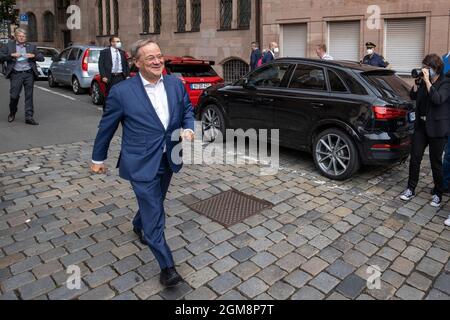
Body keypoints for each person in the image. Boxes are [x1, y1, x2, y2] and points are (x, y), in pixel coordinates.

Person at [90, 40, 195, 287]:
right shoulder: (122, 92)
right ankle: (167, 267)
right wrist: (97, 158)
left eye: (160, 56)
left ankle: (138, 224)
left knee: (155, 201)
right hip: (139, 161)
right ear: (136, 63)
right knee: (155, 213)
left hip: (168, 157)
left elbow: (188, 110)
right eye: (151, 58)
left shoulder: (174, 84)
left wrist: (188, 128)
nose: (158, 61)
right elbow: (106, 127)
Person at [400, 54, 450, 214]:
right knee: (415, 158)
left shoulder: (446, 83)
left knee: (436, 162)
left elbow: (437, 99)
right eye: (424, 67)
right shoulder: (423, 82)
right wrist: (417, 83)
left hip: (437, 129)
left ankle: (438, 192)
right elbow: (414, 96)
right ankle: (410, 188)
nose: (425, 70)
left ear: (436, 68)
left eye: (428, 67)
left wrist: (428, 81)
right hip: (421, 127)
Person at [0, 28, 44, 125]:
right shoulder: (8, 46)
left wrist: (33, 56)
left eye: (23, 36)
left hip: (29, 74)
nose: (22, 38)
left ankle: (29, 117)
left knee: (29, 96)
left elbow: (41, 58)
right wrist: (11, 55)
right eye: (20, 36)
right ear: (15, 37)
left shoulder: (31, 46)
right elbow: (1, 56)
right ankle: (12, 112)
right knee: (14, 96)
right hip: (16, 74)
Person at [98, 36, 130, 111]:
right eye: (117, 41)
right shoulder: (104, 52)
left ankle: (119, 109)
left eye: (119, 41)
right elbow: (101, 65)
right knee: (110, 93)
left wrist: (127, 75)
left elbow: (126, 65)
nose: (119, 43)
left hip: (121, 76)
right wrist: (103, 76)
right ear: (112, 43)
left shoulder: (122, 52)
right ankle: (107, 109)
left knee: (122, 93)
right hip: (110, 77)